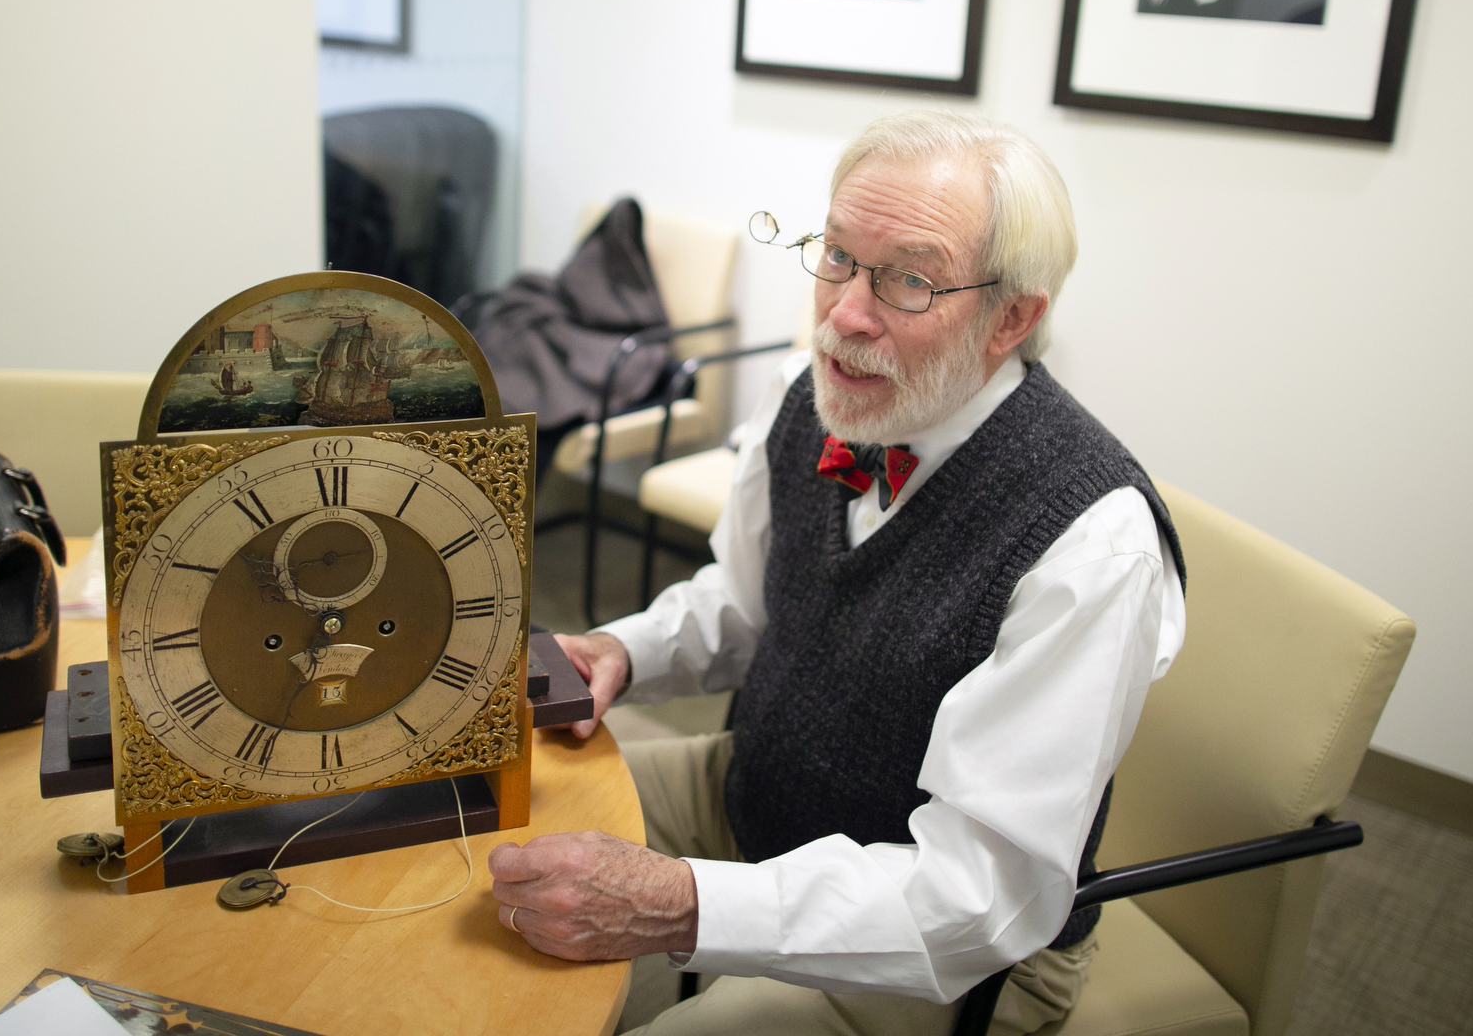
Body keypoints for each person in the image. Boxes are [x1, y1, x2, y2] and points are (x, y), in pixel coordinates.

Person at [487, 111, 1187, 1036]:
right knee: (474, 832)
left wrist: (679, 904)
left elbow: (975, 898)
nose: (845, 315)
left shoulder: (1089, 543)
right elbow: (740, 606)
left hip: (949, 959)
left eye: (908, 279)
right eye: (837, 256)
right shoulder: (812, 397)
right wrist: (624, 650)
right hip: (757, 791)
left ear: (1011, 318)